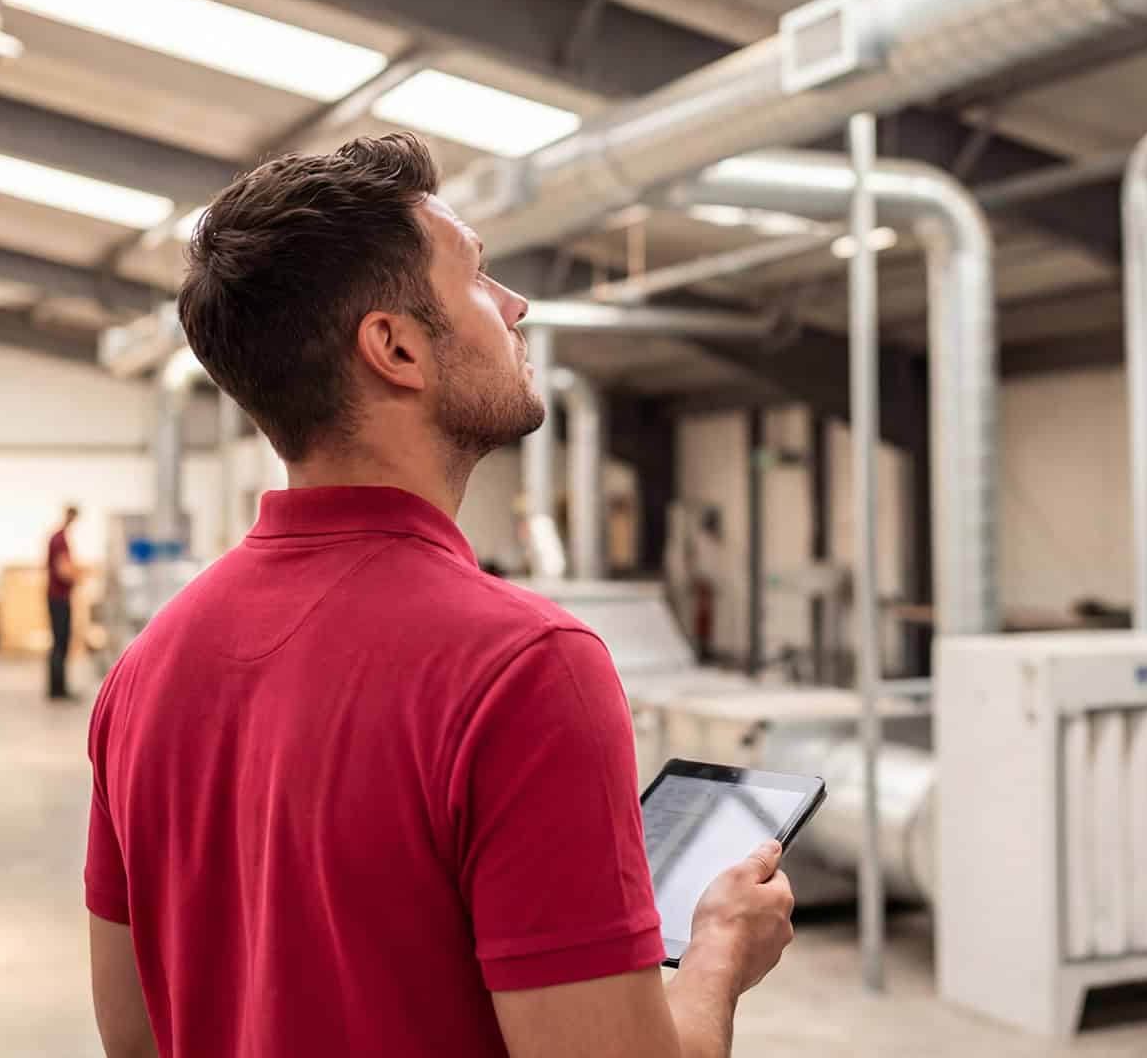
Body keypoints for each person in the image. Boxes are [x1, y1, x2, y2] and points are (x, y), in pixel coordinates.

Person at [85, 133, 793, 1058]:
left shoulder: (147, 668)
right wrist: (719, 950)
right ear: (397, 347)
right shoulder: (527, 668)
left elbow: (135, 1038)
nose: (516, 305)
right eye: (478, 281)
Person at [46, 504, 81, 700]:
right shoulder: (60, 539)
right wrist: (79, 578)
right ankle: (57, 689)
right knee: (60, 642)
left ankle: (58, 687)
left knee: (59, 642)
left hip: (57, 596)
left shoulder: (59, 537)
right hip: (59, 597)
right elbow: (63, 570)